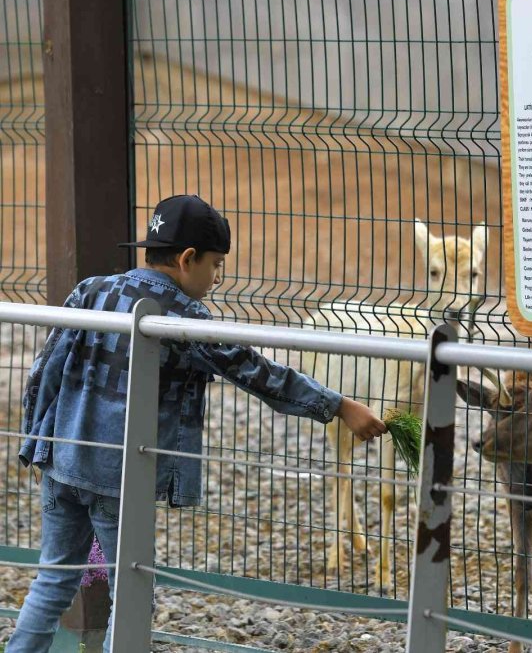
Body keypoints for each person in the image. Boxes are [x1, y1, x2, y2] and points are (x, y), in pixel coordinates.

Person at [7, 194, 386, 652]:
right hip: (119, 478)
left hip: (61, 462)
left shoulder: (91, 290)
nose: (217, 277)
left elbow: (44, 370)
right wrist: (338, 405)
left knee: (52, 582)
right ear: (188, 260)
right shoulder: (185, 317)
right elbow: (259, 373)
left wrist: (34, 440)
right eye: (216, 265)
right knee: (131, 595)